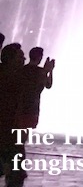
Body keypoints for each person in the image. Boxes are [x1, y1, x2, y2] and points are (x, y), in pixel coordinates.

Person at [0, 43, 27, 187]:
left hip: (12, 132)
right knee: (16, 173)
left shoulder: (16, 76)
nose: (24, 59)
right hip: (8, 133)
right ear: (11, 59)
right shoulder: (11, 78)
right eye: (20, 56)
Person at [17, 49, 54, 130]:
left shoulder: (22, 69)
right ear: (40, 57)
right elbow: (48, 85)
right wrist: (50, 71)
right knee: (25, 131)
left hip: (19, 106)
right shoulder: (40, 71)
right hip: (32, 108)